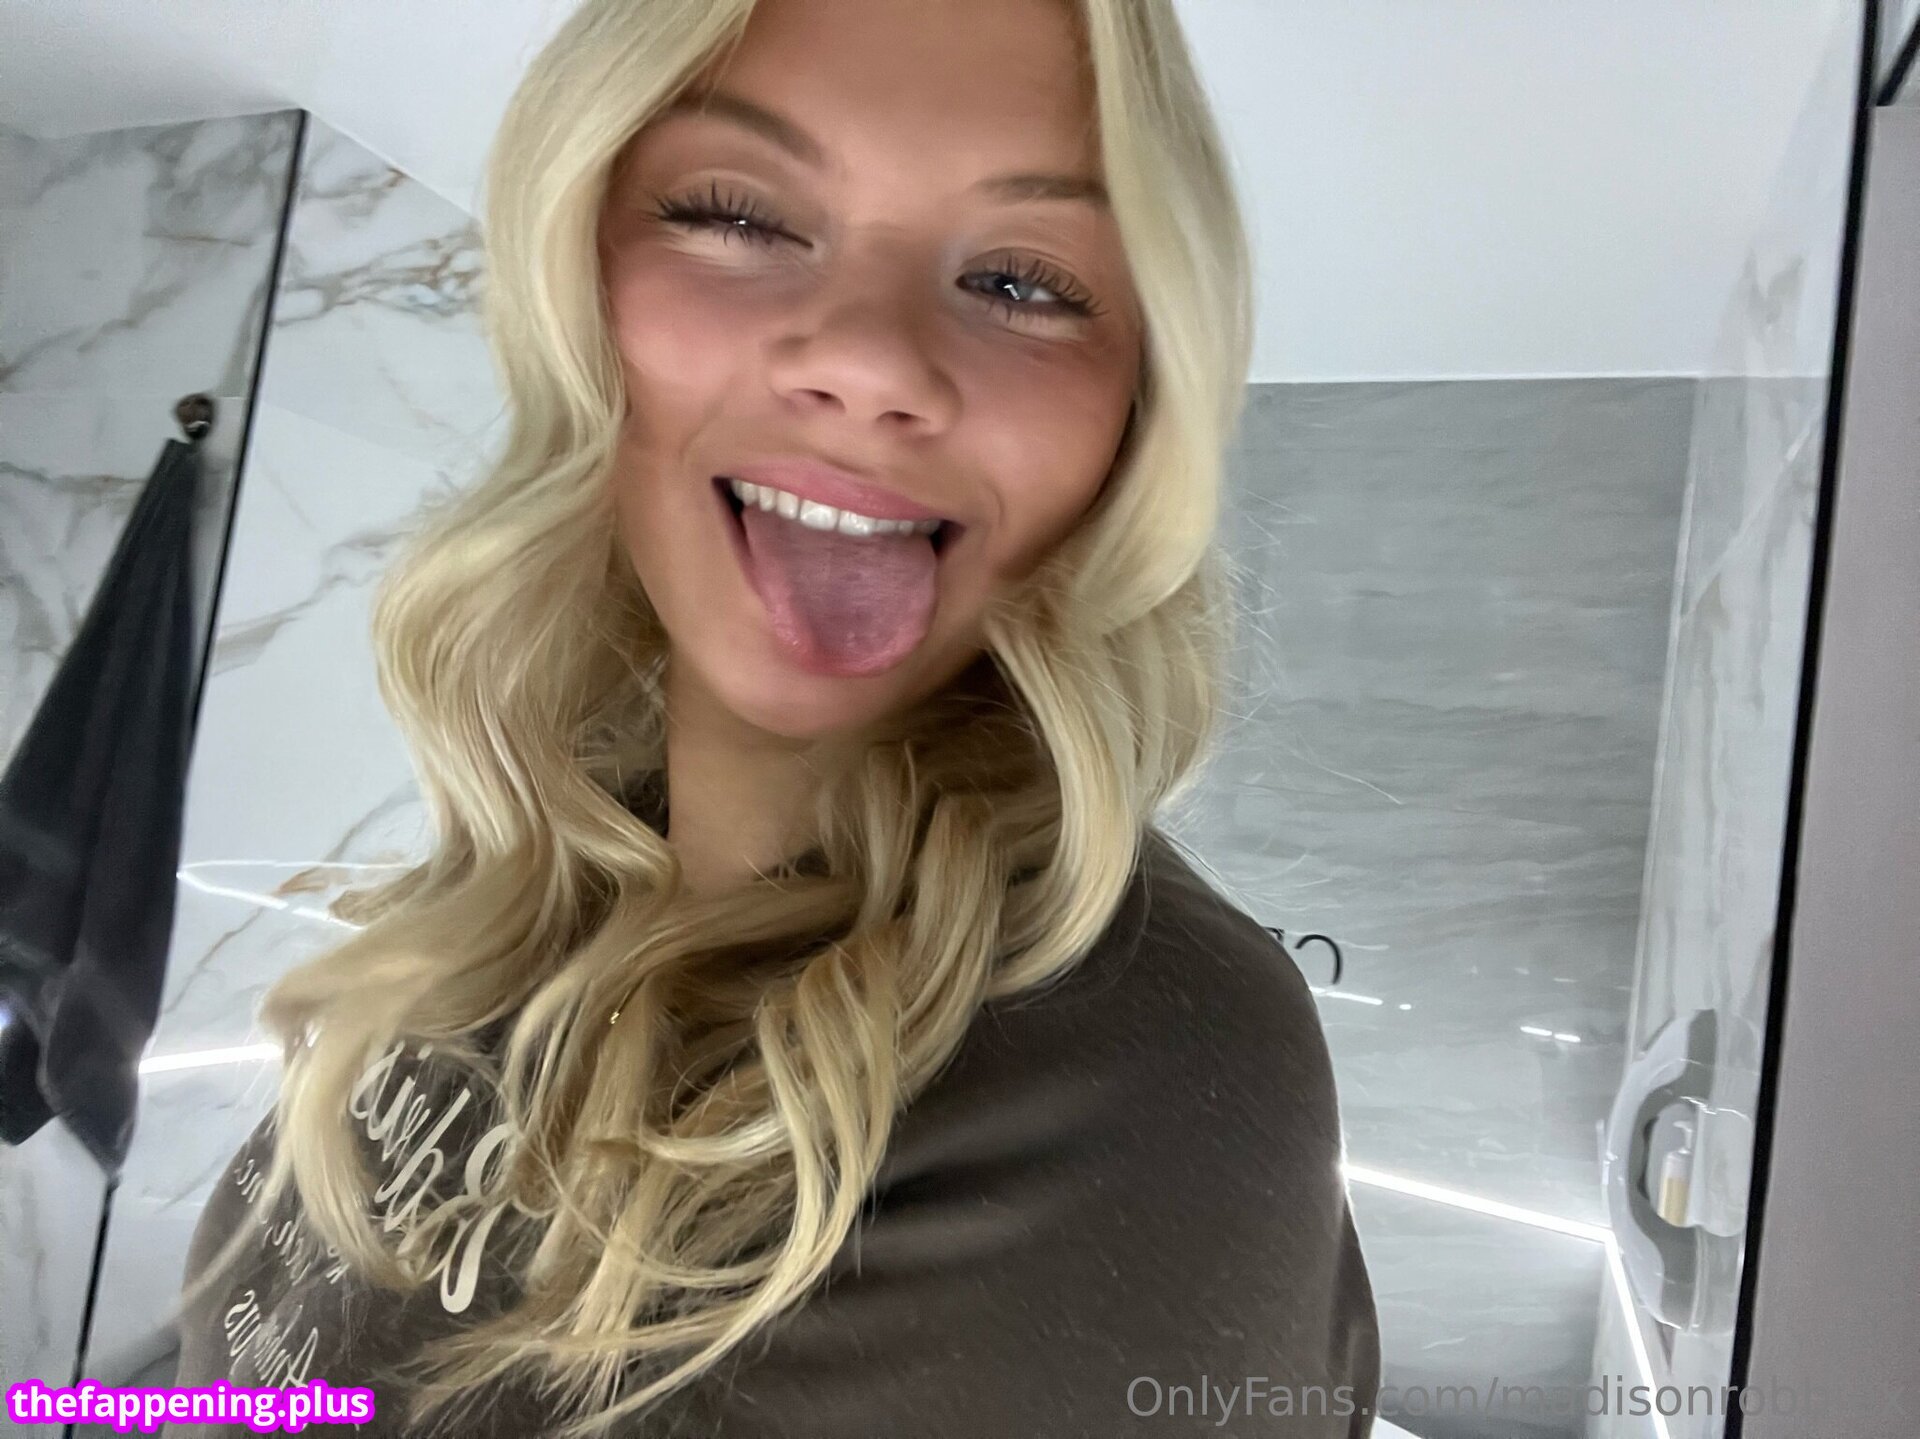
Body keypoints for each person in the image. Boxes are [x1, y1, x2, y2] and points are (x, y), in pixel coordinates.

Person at [167, 0, 1380, 1434]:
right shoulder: (569, 846)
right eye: (737, 215)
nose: (869, 362)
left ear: (1137, 409)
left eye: (1020, 281)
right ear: (581, 281)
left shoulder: (1142, 1068)